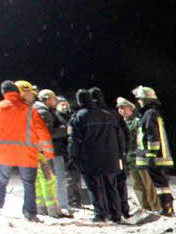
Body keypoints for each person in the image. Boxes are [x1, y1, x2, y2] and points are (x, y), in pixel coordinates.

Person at [0, 80, 54, 221]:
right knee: (29, 184)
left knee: (1, 180)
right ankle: (30, 214)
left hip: (4, 153)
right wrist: (48, 152)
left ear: (3, 93)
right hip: (27, 154)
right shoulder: (30, 110)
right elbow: (43, 133)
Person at [69, 87, 122, 223]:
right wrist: (121, 153)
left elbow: (74, 140)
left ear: (79, 101)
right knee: (111, 185)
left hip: (91, 158)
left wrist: (73, 157)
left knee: (94, 186)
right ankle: (115, 214)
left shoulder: (79, 117)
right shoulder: (108, 115)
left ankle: (100, 214)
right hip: (111, 157)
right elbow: (119, 136)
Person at [132, 85, 174, 215]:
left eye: (140, 99)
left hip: (156, 157)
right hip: (158, 156)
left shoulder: (149, 114)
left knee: (160, 184)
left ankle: (166, 208)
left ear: (146, 100)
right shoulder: (151, 113)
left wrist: (151, 154)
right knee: (161, 183)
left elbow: (152, 135)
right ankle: (167, 207)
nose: (138, 101)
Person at [33, 89, 72, 218]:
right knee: (53, 179)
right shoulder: (44, 112)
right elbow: (47, 133)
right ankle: (56, 208)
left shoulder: (38, 109)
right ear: (48, 99)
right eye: (54, 99)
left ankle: (42, 207)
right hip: (49, 151)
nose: (56, 101)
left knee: (41, 180)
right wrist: (65, 129)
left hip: (39, 151)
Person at [116, 96, 159, 213]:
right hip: (129, 158)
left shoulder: (137, 122)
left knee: (148, 183)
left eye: (123, 108)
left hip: (140, 156)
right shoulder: (120, 124)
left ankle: (155, 206)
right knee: (137, 185)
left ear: (130, 109)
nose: (121, 110)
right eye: (119, 108)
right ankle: (145, 207)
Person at [56, 96, 83, 212]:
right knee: (65, 177)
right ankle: (68, 201)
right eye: (61, 103)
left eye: (65, 103)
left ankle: (76, 201)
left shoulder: (73, 115)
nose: (64, 105)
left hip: (74, 150)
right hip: (61, 150)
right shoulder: (55, 116)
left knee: (75, 176)